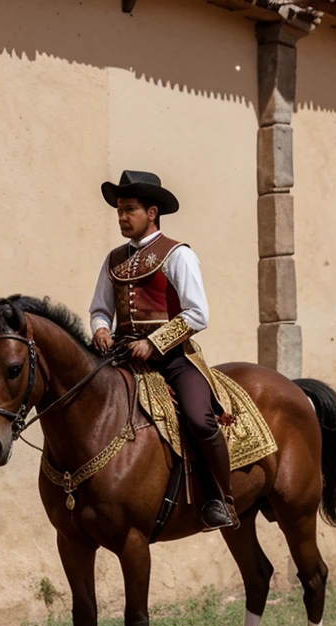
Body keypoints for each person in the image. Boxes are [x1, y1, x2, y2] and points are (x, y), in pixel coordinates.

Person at [89, 170, 238, 531]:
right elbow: (99, 308)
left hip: (173, 358)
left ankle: (221, 498)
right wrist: (101, 328)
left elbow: (198, 313)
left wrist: (154, 343)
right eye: (120, 211)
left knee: (199, 418)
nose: (123, 218)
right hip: (122, 355)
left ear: (151, 213)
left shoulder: (177, 255)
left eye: (130, 210)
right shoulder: (113, 259)